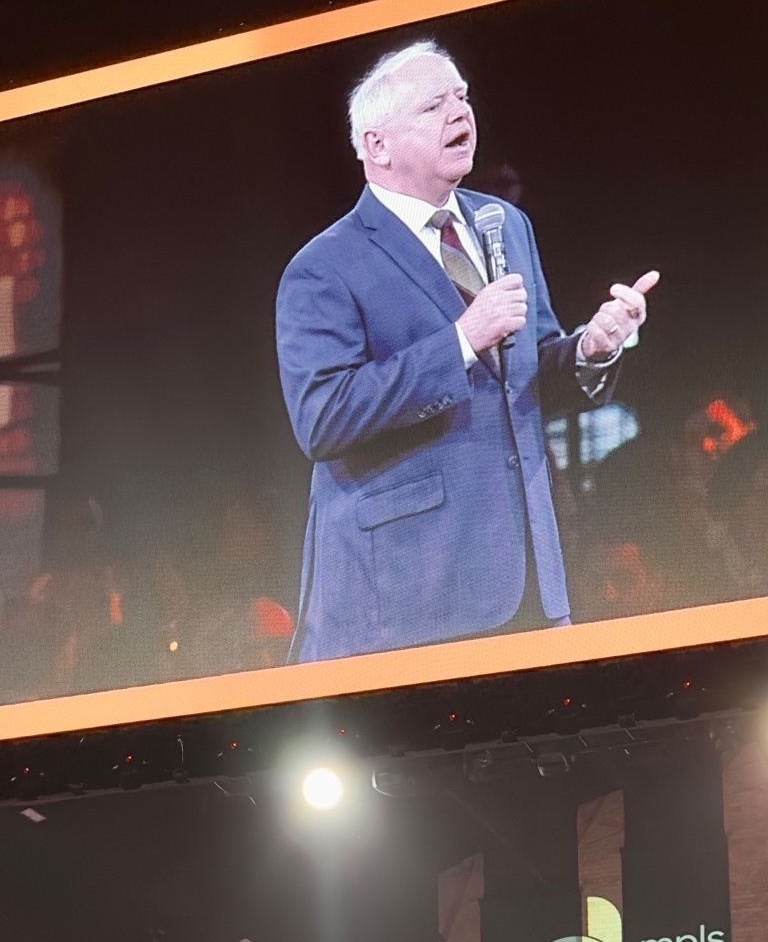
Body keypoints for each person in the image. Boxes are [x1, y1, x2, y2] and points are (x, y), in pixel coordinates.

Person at [274, 40, 656, 663]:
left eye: (463, 96)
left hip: (532, 581)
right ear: (377, 145)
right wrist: (459, 342)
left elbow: (524, 377)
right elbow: (323, 417)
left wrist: (591, 349)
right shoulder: (324, 267)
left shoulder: (504, 225)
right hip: (410, 598)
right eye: (433, 106)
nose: (461, 113)